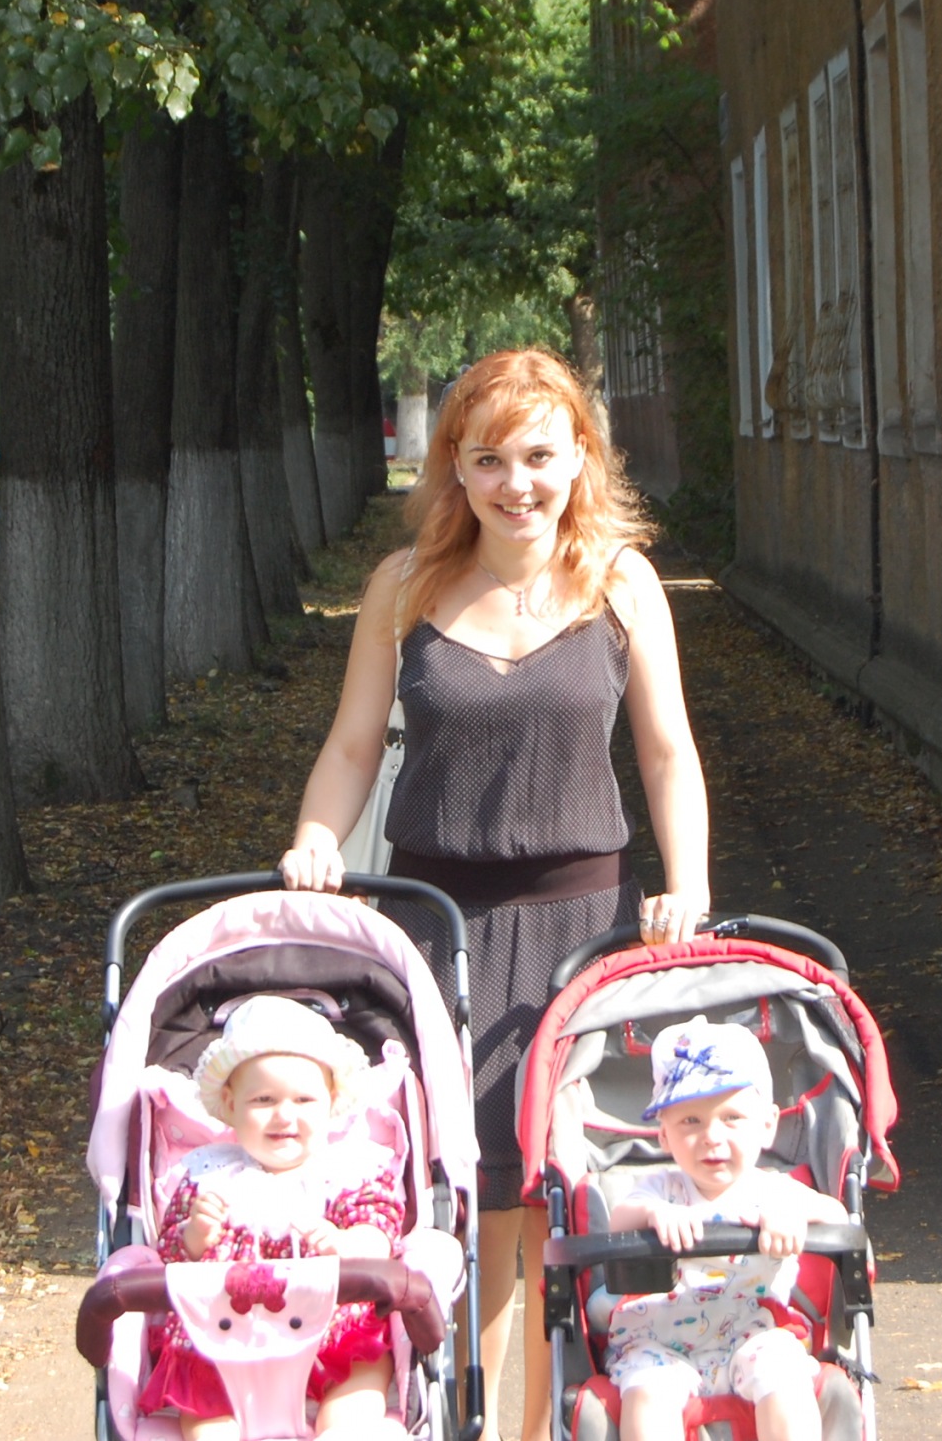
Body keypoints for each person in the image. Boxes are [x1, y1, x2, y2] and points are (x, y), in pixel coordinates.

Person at [279, 347, 713, 1441]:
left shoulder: (621, 582)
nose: (516, 482)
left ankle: (541, 1428)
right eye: (488, 459)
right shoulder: (404, 587)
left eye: (538, 456)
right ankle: (458, 1421)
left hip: (583, 937)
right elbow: (350, 745)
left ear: (580, 457)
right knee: (460, 1214)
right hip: (439, 935)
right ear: (455, 468)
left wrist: (688, 883)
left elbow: (667, 752)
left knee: (558, 1214)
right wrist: (315, 839)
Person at [146, 996, 405, 1441]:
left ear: (331, 1102)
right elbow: (169, 1252)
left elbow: (381, 1223)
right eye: (263, 1100)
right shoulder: (209, 1176)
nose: (285, 1115)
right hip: (224, 1343)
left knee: (358, 1384)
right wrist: (195, 1234)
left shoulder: (346, 1171)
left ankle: (344, 1430)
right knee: (206, 1415)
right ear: (230, 1105)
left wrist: (349, 1243)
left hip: (332, 1333)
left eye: (304, 1099)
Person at [603, 1019, 847, 1441]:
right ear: (664, 1135)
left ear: (767, 1125)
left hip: (754, 1333)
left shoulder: (776, 1191)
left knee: (785, 1374)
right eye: (690, 1121)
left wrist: (794, 1213)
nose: (711, 1137)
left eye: (731, 1118)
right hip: (659, 1343)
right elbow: (617, 1222)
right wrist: (653, 1215)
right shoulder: (660, 1190)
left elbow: (839, 1219)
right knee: (647, 1394)